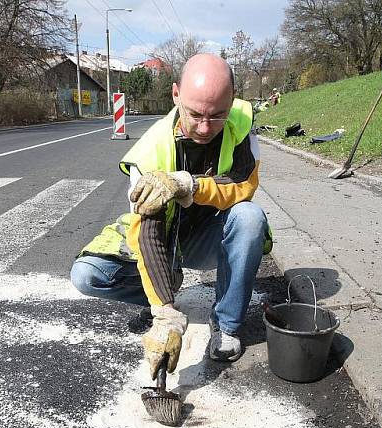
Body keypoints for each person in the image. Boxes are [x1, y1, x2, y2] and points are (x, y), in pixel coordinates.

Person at [70, 53, 272, 380]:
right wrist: (164, 312)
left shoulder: (241, 126)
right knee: (87, 276)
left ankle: (226, 325)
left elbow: (242, 184)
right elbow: (148, 235)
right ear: (176, 94)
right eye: (195, 114)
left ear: (231, 100)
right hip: (165, 238)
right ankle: (164, 290)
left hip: (210, 237)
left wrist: (188, 183)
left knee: (249, 217)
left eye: (217, 115)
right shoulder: (151, 152)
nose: (205, 127)